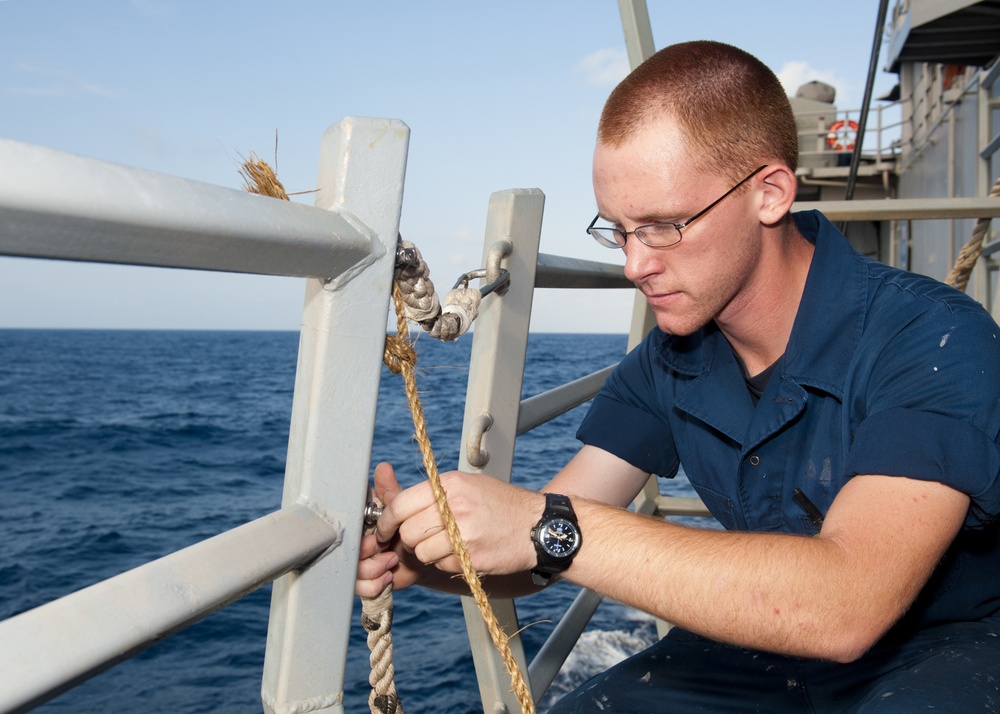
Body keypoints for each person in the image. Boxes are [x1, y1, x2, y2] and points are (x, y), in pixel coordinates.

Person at [356, 40, 1000, 712]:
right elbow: (543, 554)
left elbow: (847, 605)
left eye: (663, 226)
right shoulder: (669, 360)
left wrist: (543, 524)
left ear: (770, 194)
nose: (635, 265)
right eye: (619, 230)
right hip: (767, 646)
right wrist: (425, 564)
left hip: (948, 644)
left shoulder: (933, 338)